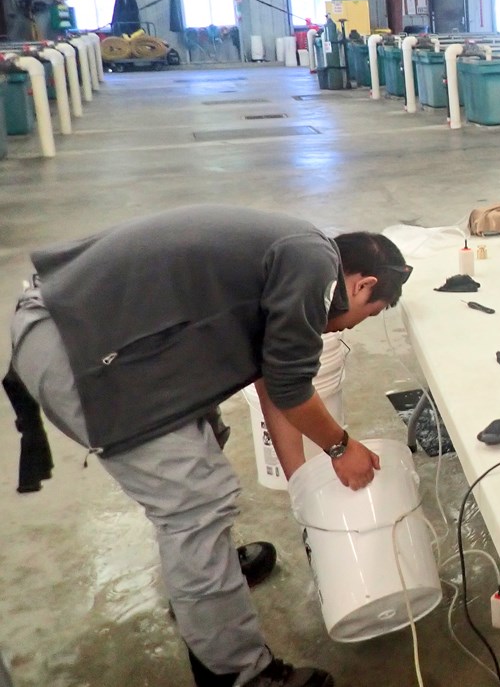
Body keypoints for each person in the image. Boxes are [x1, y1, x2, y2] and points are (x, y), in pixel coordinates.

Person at [5, 205, 412, 687]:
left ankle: (205, 581)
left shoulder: (296, 258)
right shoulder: (311, 264)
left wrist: (304, 486)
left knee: (207, 442)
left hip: (87, 325)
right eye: (371, 313)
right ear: (363, 285)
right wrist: (342, 449)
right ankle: (236, 672)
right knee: (196, 501)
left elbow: (272, 381)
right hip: (76, 343)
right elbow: (287, 385)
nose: (351, 326)